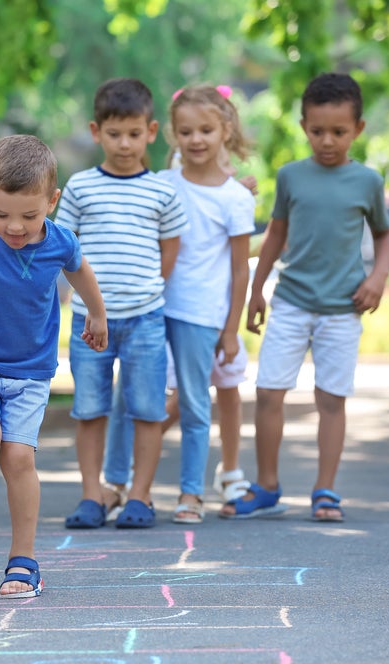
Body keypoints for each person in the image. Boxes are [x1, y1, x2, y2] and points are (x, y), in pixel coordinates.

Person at [0, 134, 108, 598]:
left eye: (29, 216)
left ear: (52, 202)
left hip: (31, 372)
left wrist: (96, 311)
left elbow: (80, 269)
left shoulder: (59, 241)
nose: (15, 228)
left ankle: (24, 558)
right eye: (1, 214)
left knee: (18, 458)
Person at [219, 72, 389, 522]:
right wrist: (257, 290)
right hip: (292, 303)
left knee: (331, 398)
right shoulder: (291, 176)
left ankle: (326, 490)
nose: (327, 141)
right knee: (269, 391)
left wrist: (378, 277)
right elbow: (276, 234)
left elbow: (384, 236)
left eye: (338, 132)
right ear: (303, 126)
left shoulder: (367, 182)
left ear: (358, 129)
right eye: (317, 131)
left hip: (343, 309)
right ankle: (268, 486)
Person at [102, 83, 256, 524]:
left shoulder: (235, 198)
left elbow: (240, 269)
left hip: (202, 315)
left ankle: (191, 493)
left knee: (193, 402)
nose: (196, 140)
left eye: (206, 130)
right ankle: (121, 485)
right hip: (149, 308)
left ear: (224, 129)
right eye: (186, 131)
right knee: (131, 398)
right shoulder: (161, 184)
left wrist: (230, 329)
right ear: (171, 134)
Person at [57, 77, 188, 530]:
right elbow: (65, 249)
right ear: (96, 132)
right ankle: (93, 495)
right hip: (89, 320)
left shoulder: (162, 191)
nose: (125, 143)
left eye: (134, 134)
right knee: (90, 408)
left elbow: (170, 247)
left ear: (151, 131)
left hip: (145, 318)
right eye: (114, 134)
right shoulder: (80, 187)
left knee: (148, 408)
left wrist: (150, 286)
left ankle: (140, 496)